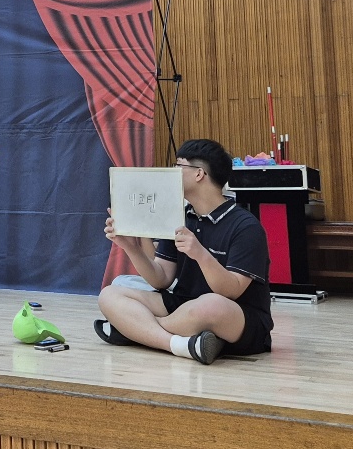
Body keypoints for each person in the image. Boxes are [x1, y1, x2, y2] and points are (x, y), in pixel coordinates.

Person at [94, 138, 273, 364]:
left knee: (211, 305)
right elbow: (161, 279)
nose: (172, 172)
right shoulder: (179, 217)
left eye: (178, 166)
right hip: (182, 305)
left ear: (199, 174)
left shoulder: (246, 226)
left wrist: (200, 254)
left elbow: (231, 291)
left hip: (237, 315)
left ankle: (133, 332)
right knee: (110, 295)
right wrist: (130, 246)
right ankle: (180, 344)